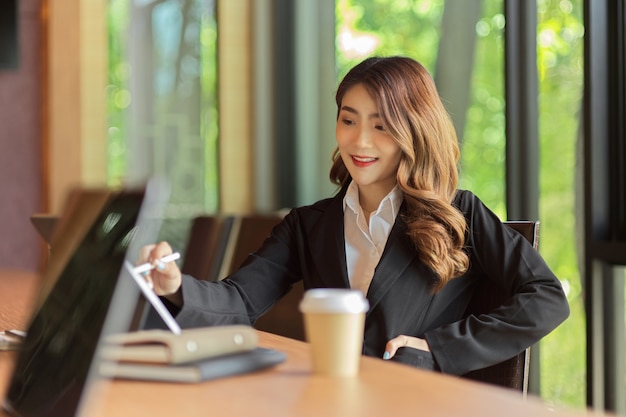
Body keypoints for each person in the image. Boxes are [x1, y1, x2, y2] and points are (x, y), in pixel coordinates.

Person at [139, 56, 569, 375]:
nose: (360, 141)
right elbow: (240, 301)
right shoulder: (309, 225)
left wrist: (439, 349)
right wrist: (177, 287)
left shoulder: (459, 214)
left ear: (412, 131)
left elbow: (546, 298)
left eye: (381, 126)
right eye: (349, 120)